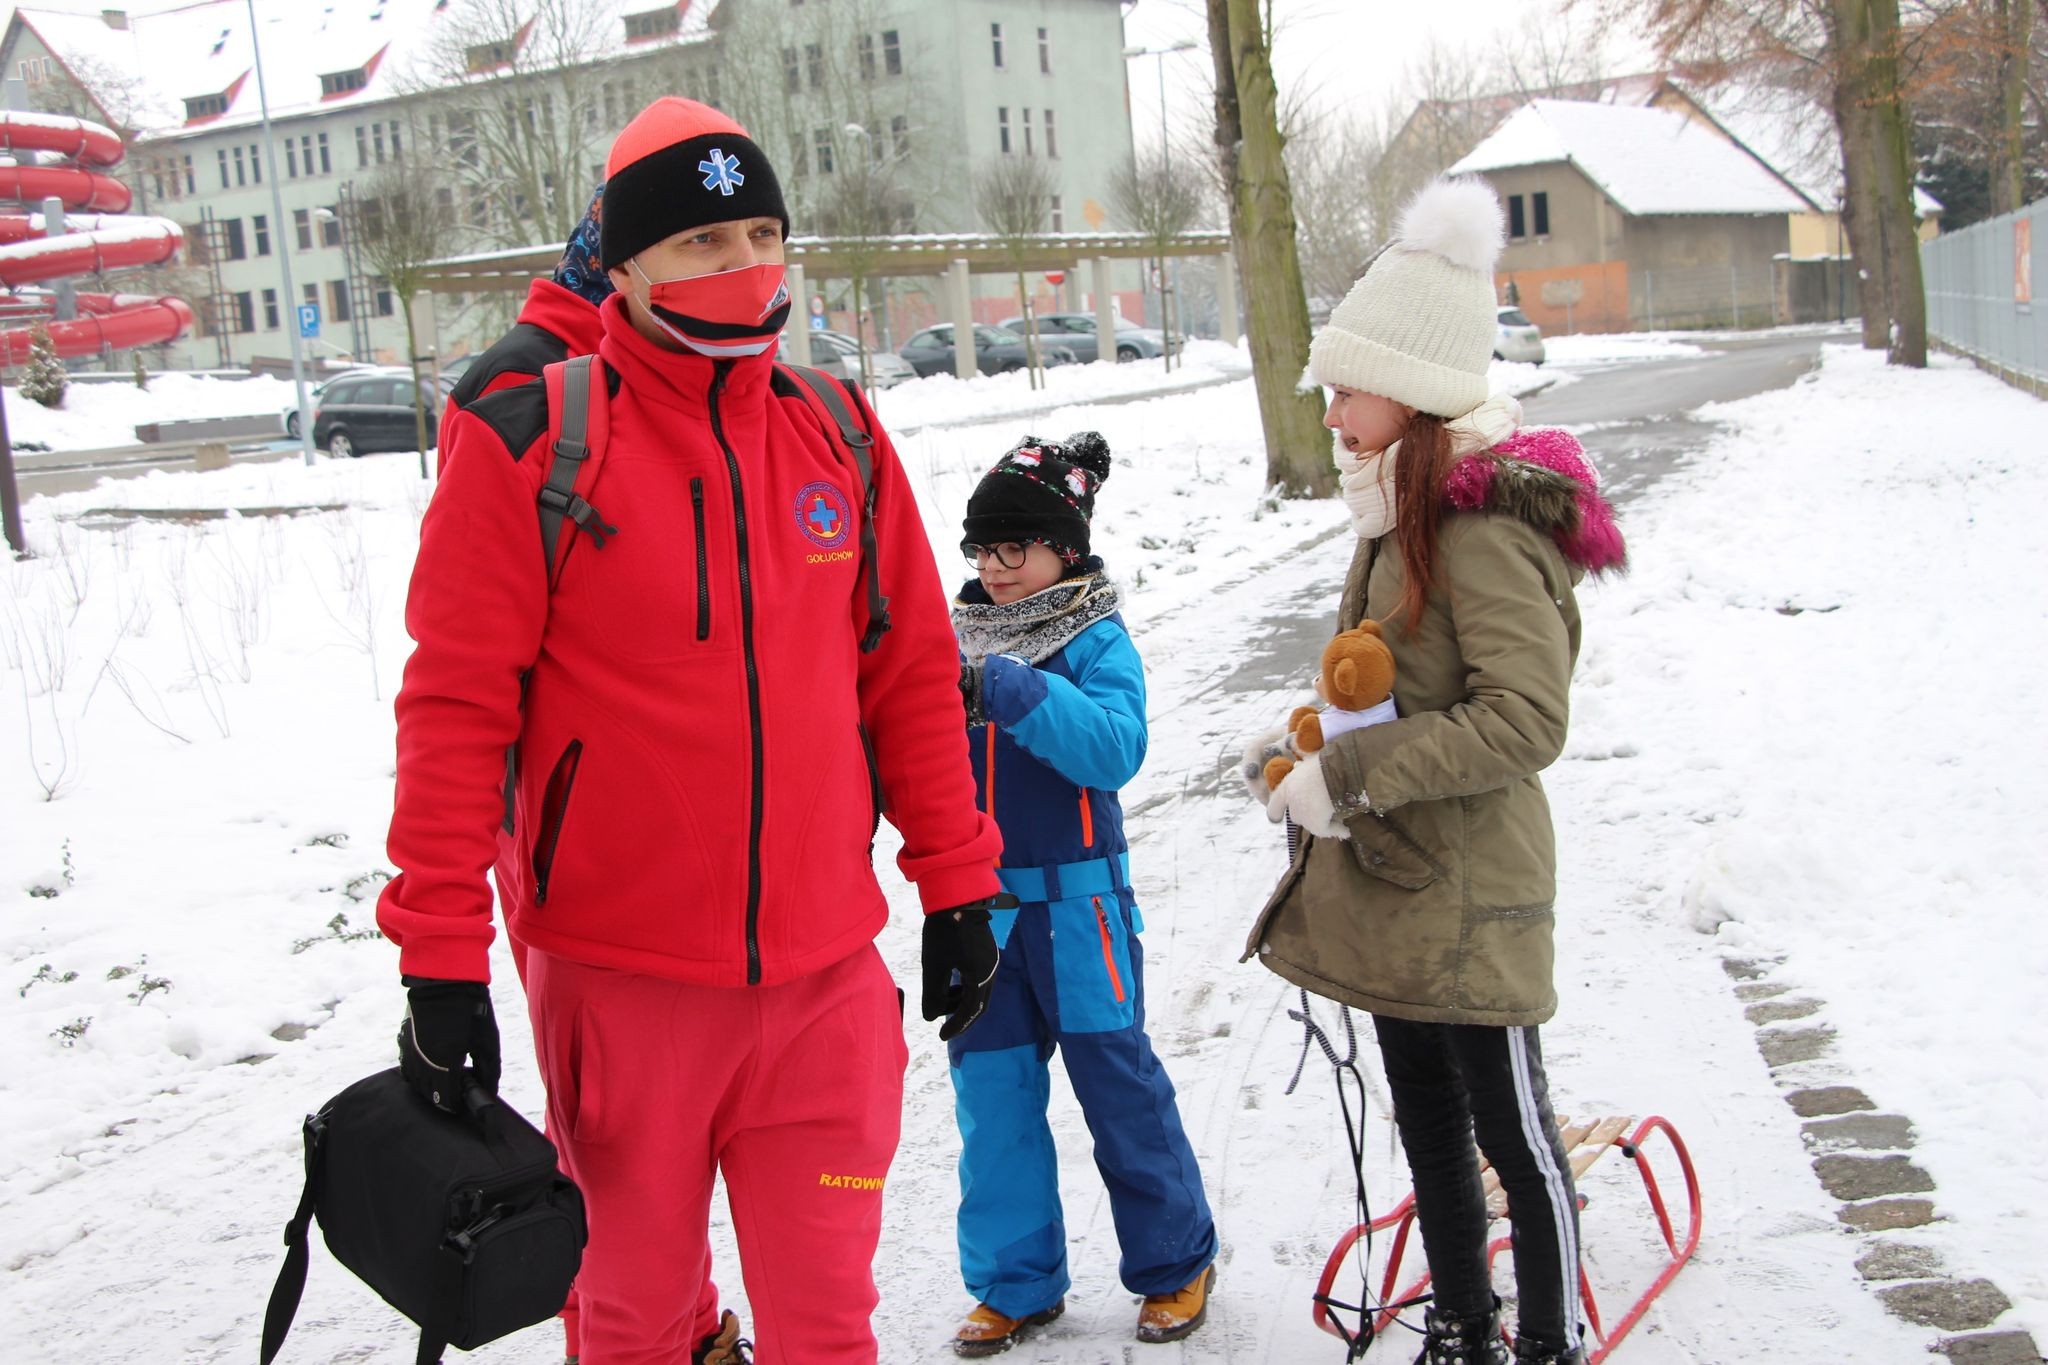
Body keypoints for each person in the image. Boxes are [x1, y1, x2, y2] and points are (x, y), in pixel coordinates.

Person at [376, 97, 1008, 1365]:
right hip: (620, 990)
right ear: (622, 265)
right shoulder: (528, 442)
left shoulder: (836, 431)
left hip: (823, 986)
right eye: (704, 243)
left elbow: (908, 679)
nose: (745, 267)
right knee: (633, 1322)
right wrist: (437, 955)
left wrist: (957, 885)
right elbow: (454, 708)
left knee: (828, 1324)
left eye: (764, 233)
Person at [1244, 177, 1625, 1365]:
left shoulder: (1477, 526)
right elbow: (1388, 682)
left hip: (1468, 893)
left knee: (1512, 1136)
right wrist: (1303, 747)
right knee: (1427, 1127)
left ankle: (1544, 1343)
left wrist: (1352, 782)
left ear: (1407, 390)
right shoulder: (1389, 510)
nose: (1328, 412)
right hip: (1403, 891)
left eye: (1343, 389)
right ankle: (1460, 1321)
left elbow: (1522, 718)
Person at [947, 434, 1218, 1356]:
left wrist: (1018, 692)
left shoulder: (1094, 639)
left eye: (1012, 549)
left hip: (1079, 910)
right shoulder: (955, 645)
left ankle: (1176, 1260)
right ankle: (1015, 1282)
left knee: (1118, 1087)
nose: (994, 569)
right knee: (994, 1104)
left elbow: (1114, 749)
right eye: (981, 552)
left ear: (1065, 546)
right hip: (979, 913)